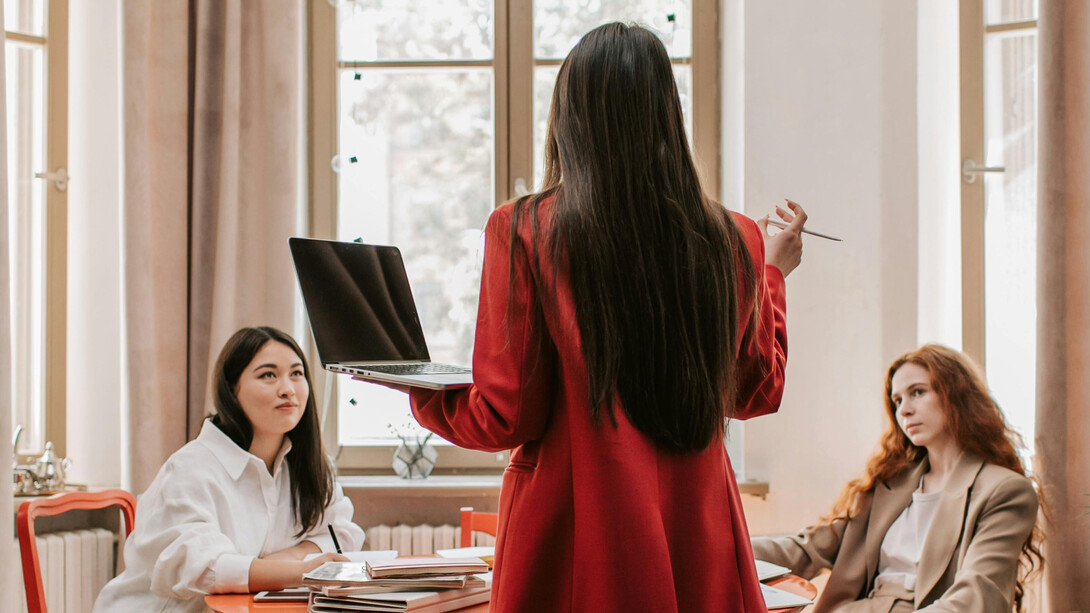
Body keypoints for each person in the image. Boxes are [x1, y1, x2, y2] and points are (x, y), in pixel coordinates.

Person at [389, 22, 806, 612]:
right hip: (697, 526)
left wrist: (419, 389)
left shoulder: (526, 228)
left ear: (569, 115)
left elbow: (505, 415)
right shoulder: (734, 237)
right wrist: (771, 274)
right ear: (667, 115)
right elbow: (755, 393)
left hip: (575, 529)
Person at [751, 344, 1043, 612]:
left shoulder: (1005, 490)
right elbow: (806, 549)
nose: (904, 409)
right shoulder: (887, 482)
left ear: (956, 394)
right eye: (897, 399)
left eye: (918, 392)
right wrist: (724, 546)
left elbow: (978, 594)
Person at [94, 326, 364, 612]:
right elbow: (203, 569)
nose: (287, 389)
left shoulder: (312, 465)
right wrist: (302, 571)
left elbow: (343, 533)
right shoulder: (190, 469)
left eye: (296, 374)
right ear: (232, 390)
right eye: (268, 375)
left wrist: (288, 557)